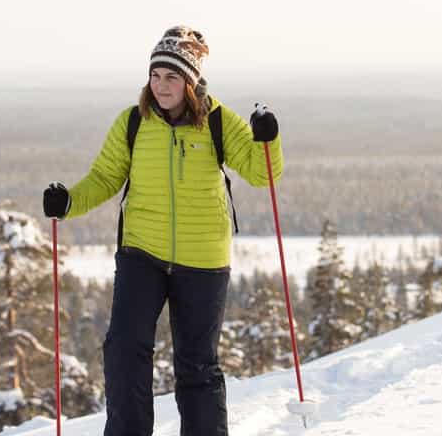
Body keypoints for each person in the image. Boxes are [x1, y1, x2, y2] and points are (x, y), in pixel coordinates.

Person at [43, 25, 283, 436]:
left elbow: (263, 173)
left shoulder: (219, 122)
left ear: (191, 81)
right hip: (142, 252)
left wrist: (269, 138)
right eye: (155, 75)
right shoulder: (134, 122)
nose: (161, 85)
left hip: (203, 260)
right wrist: (69, 202)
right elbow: (104, 177)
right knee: (123, 350)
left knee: (197, 365)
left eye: (171, 76)